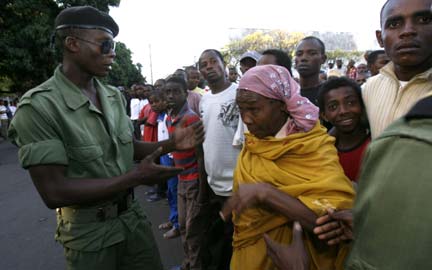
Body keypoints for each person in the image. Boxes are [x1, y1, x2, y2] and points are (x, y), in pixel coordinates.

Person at [7, 6, 203, 270]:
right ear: (72, 44)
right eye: (105, 44)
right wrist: (134, 178)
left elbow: (127, 147)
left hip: (132, 221)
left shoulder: (112, 96)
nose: (112, 52)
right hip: (89, 235)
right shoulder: (39, 107)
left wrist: (170, 143)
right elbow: (54, 191)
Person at [223, 65, 355, 270]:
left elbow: (333, 224)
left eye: (254, 109)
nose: (246, 119)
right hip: (250, 257)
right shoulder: (253, 145)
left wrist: (268, 195)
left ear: (282, 105)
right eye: (241, 110)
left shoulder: (313, 146)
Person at [362, 0, 432, 139]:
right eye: (394, 24)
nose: (408, 31)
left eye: (424, 20)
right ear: (380, 38)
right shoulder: (368, 88)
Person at [198, 49, 241, 270]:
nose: (208, 67)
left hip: (239, 186)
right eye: (203, 64)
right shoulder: (204, 100)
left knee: (240, 244)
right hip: (215, 186)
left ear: (224, 65)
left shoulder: (240, 93)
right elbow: (204, 143)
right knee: (221, 245)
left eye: (213, 62)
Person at [165, 76, 207, 270]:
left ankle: (195, 264)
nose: (171, 96)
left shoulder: (190, 118)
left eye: (176, 91)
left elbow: (200, 156)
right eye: (168, 92)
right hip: (181, 179)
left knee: (192, 230)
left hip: (193, 179)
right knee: (182, 225)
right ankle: (188, 262)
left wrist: (201, 190)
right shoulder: (169, 117)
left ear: (185, 93)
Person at [318, 77, 371, 182]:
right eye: (333, 107)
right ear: (324, 115)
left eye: (351, 103)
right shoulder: (323, 153)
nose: (343, 111)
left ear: (362, 105)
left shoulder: (375, 144)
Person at [294, 36, 327, 106]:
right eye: (299, 54)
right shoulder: (287, 92)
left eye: (312, 53)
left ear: (323, 59)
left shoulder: (330, 91)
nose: (303, 58)